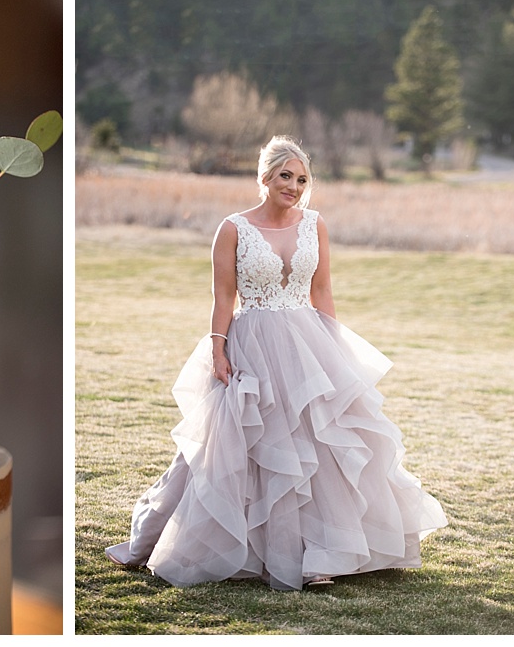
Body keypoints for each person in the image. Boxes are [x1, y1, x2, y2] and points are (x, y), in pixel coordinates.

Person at [105, 136, 448, 591]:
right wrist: (218, 349)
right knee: (236, 443)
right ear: (264, 178)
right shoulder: (233, 228)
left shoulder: (315, 224)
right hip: (253, 342)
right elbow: (223, 296)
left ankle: (321, 554)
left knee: (320, 445)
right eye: (286, 176)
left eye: (302, 178)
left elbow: (321, 290)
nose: (295, 186)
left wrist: (336, 348)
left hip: (308, 341)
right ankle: (187, 539)